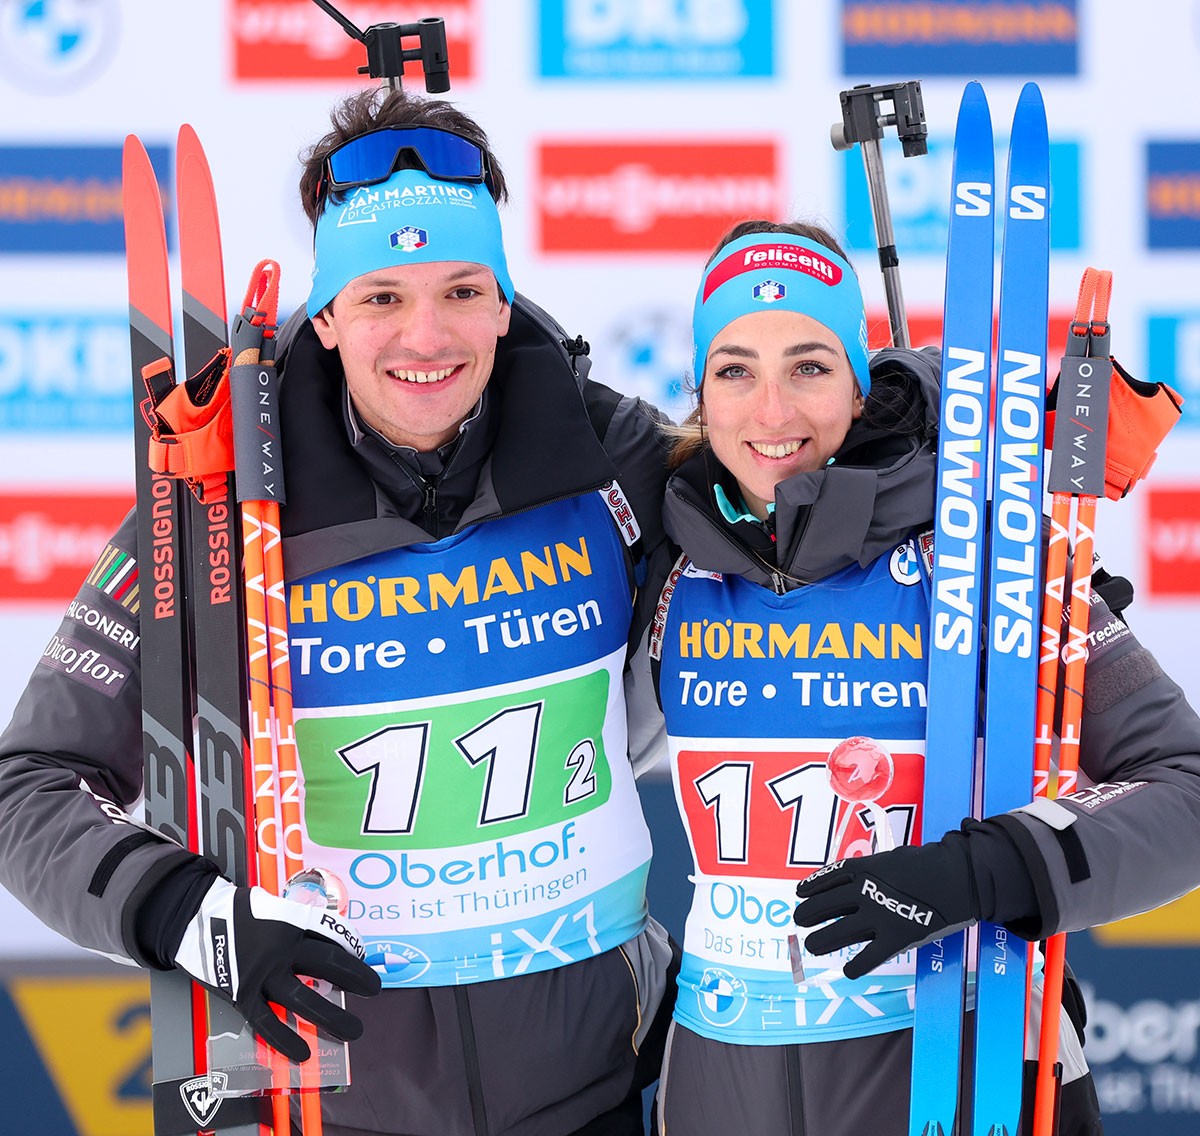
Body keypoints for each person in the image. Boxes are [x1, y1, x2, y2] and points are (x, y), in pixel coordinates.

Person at [0, 87, 679, 1136]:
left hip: (595, 1084)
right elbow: (27, 787)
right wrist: (197, 917)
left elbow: (789, 498)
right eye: (379, 296)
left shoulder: (612, 460)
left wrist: (899, 433)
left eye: (462, 289)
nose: (426, 334)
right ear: (324, 314)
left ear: (505, 299)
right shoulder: (216, 509)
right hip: (334, 1098)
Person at [646, 219, 1200, 1134]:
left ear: (864, 389)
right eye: (736, 368)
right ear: (701, 393)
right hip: (716, 1083)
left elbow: (1184, 787)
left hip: (958, 1066)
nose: (773, 411)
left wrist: (991, 871)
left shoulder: (986, 559)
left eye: (812, 366)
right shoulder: (668, 570)